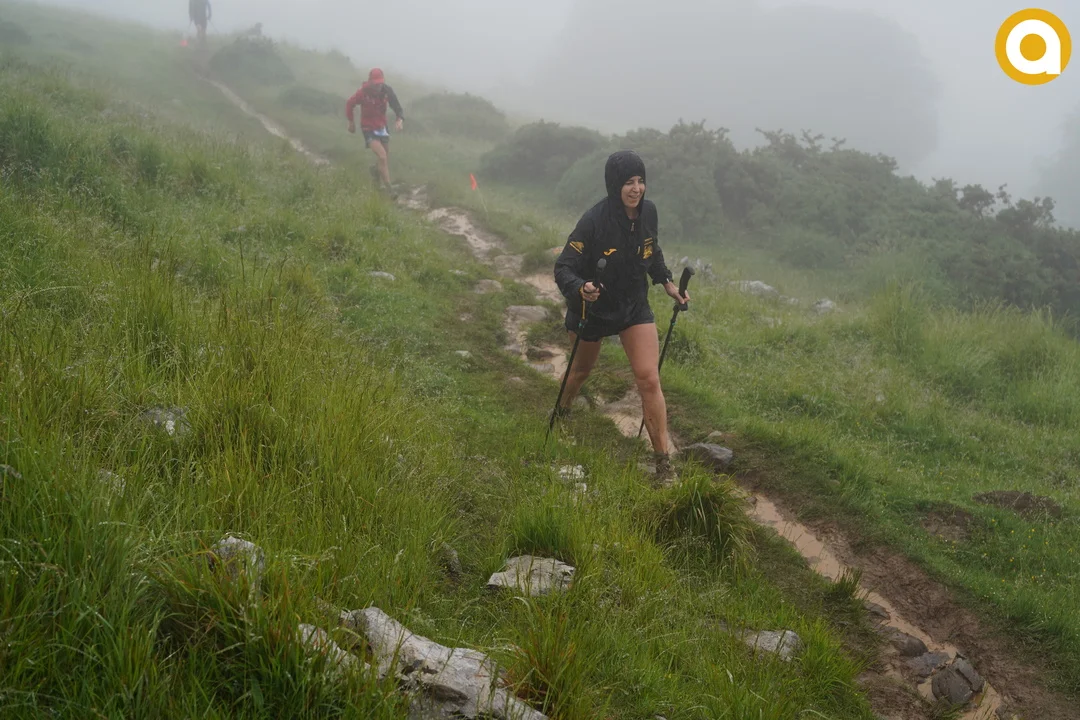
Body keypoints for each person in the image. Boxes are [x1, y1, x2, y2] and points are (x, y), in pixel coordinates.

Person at [553, 150, 689, 484]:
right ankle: (561, 412)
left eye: (641, 181)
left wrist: (668, 283)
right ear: (615, 184)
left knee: (649, 379)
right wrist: (581, 288)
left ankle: (662, 462)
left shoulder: (649, 212)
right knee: (580, 371)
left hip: (633, 306)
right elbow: (564, 266)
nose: (636, 188)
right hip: (594, 307)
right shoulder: (594, 221)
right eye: (629, 182)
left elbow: (651, 249)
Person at [346, 68, 405, 195]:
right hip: (368, 128)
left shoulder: (387, 90)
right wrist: (351, 122)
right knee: (382, 156)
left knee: (384, 157)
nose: (379, 86)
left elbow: (397, 106)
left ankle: (375, 172)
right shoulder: (363, 92)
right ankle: (389, 190)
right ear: (370, 82)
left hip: (382, 126)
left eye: (380, 83)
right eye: (376, 83)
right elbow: (350, 104)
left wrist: (399, 119)